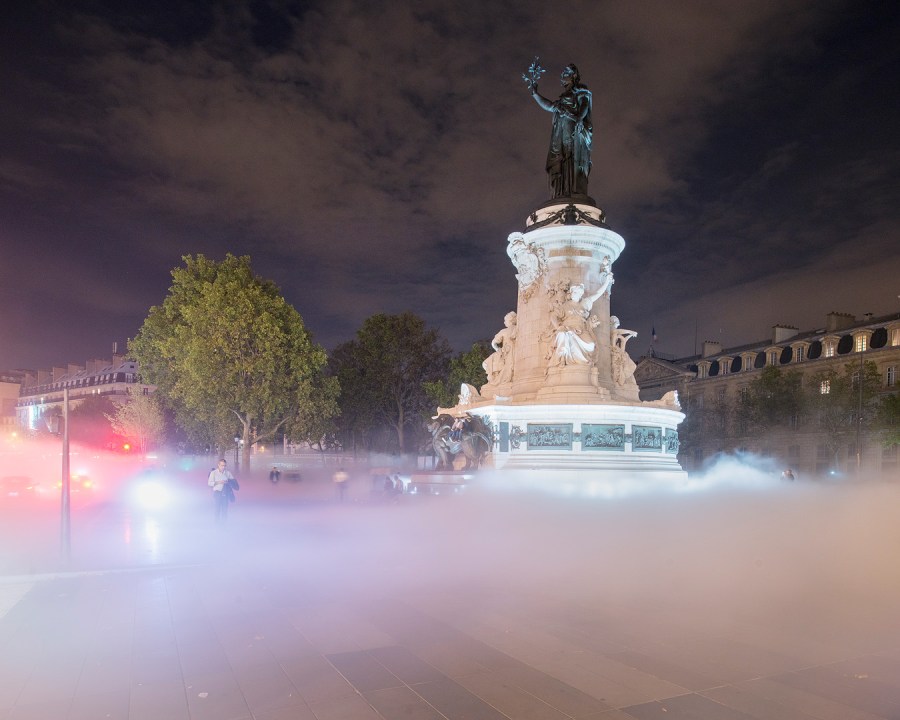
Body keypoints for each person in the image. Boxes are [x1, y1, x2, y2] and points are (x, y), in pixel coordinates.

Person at [529, 64, 592, 198]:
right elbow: (550, 106)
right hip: (560, 129)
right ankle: (560, 191)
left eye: (566, 73)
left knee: (569, 154)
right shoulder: (562, 99)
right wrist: (535, 94)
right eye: (562, 74)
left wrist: (580, 119)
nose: (562, 76)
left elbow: (584, 104)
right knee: (559, 157)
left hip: (572, 124)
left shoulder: (580, 89)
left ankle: (571, 189)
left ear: (574, 76)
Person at [549, 283, 606, 366]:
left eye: (577, 293)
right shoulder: (565, 306)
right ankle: (564, 360)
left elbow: (597, 294)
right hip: (568, 328)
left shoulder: (584, 304)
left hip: (582, 329)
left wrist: (607, 281)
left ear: (580, 294)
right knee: (563, 335)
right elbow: (553, 315)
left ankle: (582, 362)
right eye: (573, 292)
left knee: (591, 345)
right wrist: (558, 327)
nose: (574, 294)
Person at [483, 312, 517, 386]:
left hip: (505, 352)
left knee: (485, 364)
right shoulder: (519, 328)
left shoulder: (504, 331)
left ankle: (494, 378)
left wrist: (498, 349)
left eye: (505, 320)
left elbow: (493, 343)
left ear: (510, 321)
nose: (504, 322)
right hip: (515, 352)